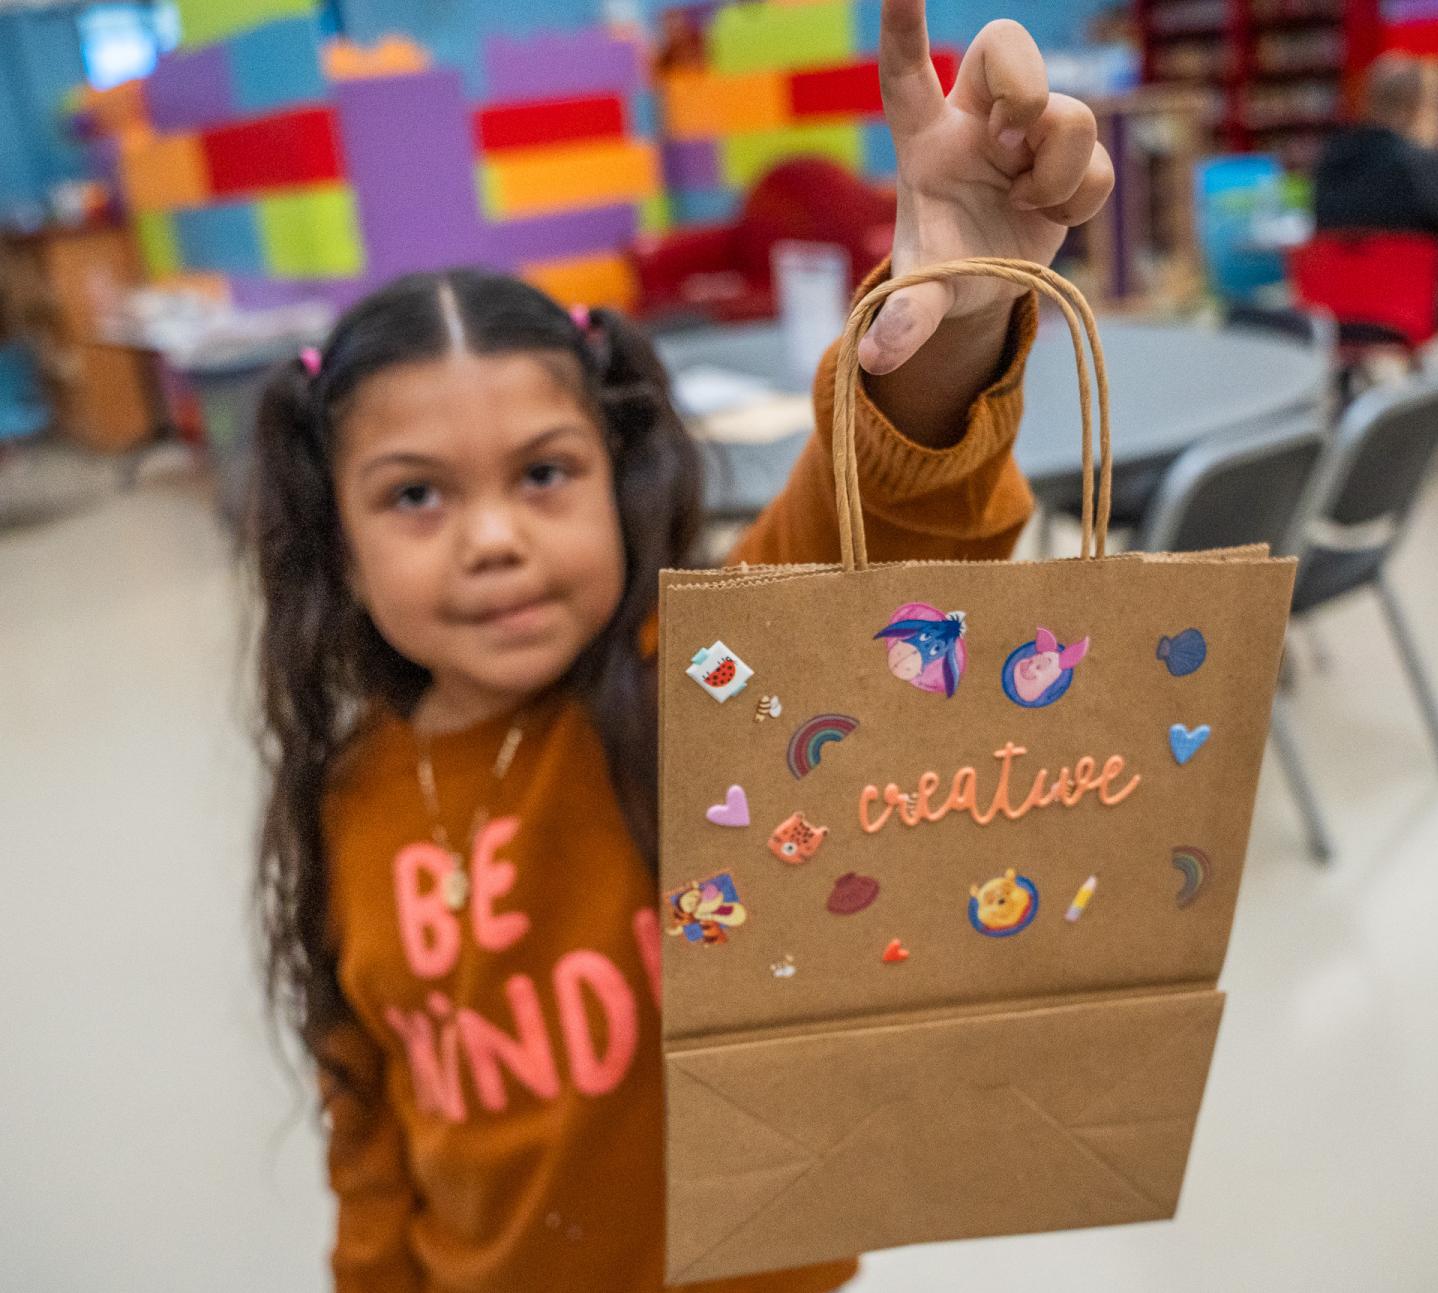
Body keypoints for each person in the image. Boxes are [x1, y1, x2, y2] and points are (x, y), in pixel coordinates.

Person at [249, 4, 1114, 1291]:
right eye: (417, 495)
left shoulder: (701, 684)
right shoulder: (341, 801)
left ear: (619, 474)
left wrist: (958, 317)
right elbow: (367, 1124)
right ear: (338, 533)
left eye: (544, 474)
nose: (492, 540)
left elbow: (889, 530)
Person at [1313, 54, 1438, 247]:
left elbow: (1321, 221)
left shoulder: (1333, 156)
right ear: (1413, 104)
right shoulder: (1418, 163)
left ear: (1367, 100)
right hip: (1409, 274)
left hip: (1342, 275)